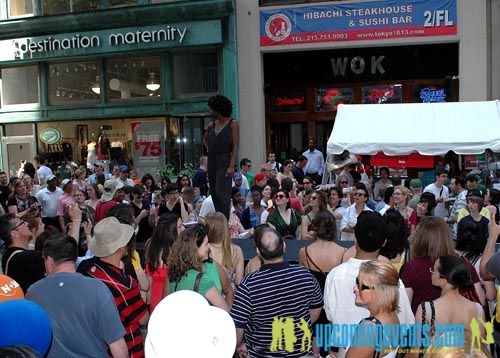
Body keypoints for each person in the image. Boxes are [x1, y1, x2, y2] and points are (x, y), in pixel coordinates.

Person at [324, 212, 414, 356]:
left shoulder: (335, 276)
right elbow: (405, 322)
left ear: (355, 238)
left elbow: (331, 320)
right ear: (384, 242)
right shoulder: (391, 279)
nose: (356, 289)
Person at [26, 234, 128, 358]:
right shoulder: (97, 288)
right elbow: (117, 343)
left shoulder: (33, 292)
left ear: (49, 260)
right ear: (74, 258)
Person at [231, 227, 324, 357]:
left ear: (258, 252)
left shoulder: (248, 285)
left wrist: (242, 344)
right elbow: (316, 309)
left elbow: (237, 330)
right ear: (284, 247)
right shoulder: (306, 276)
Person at [78, 217, 149, 358]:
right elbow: (143, 319)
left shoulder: (86, 269)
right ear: (121, 247)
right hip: (127, 348)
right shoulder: (124, 283)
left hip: (96, 347)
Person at [400, 216, 483, 313]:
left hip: (425, 323)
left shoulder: (411, 267)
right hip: (459, 323)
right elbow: (480, 298)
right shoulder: (462, 262)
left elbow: (405, 308)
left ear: (420, 239)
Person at [415, 255, 486, 354]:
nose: (431, 272)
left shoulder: (426, 309)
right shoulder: (477, 309)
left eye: (434, 270)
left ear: (443, 279)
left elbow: (415, 351)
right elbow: (481, 350)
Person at [299, 210, 345, 356]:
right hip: (334, 305)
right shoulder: (342, 252)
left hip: (312, 306)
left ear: (314, 228)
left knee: (314, 349)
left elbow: (304, 282)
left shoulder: (304, 251)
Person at [167, 226, 231, 312]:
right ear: (194, 249)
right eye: (206, 244)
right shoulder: (202, 280)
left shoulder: (174, 273)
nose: (209, 247)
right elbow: (225, 311)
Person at [346, 260, 400, 358]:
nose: (355, 288)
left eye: (362, 285)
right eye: (356, 281)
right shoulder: (392, 314)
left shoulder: (369, 327)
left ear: (379, 291)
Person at [204, 94, 239, 220]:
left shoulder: (232, 124)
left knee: (222, 192)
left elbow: (235, 146)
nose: (210, 111)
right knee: (213, 191)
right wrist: (211, 148)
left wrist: (231, 166)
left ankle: (225, 221)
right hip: (212, 160)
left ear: (218, 109)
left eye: (212, 109)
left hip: (225, 160)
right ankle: (219, 220)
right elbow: (205, 141)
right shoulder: (211, 125)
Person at [145, 213, 183, 313]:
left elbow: (148, 277)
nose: (183, 228)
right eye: (179, 226)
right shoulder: (178, 251)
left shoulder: (150, 245)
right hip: (172, 298)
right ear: (170, 231)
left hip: (155, 297)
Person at [0, 214, 45, 293]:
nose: (26, 224)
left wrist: (35, 235)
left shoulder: (9, 254)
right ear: (14, 233)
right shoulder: (24, 258)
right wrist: (75, 220)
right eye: (22, 223)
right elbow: (64, 254)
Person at [205, 212, 244, 288]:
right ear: (226, 228)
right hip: (230, 293)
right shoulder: (237, 250)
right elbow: (238, 281)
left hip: (209, 294)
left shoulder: (204, 250)